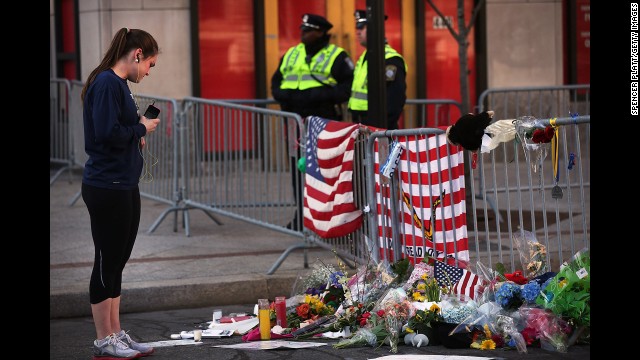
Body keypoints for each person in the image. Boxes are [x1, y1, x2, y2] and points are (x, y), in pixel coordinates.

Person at [80, 27, 160, 359]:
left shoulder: (119, 84)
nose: (149, 71)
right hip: (106, 185)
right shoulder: (106, 83)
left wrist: (136, 128)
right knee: (106, 261)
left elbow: (117, 129)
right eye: (150, 64)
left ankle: (116, 333)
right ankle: (103, 339)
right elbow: (104, 133)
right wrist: (140, 128)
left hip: (123, 183)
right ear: (137, 54)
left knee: (118, 261)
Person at [271, 13, 355, 230]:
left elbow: (347, 87)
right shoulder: (292, 53)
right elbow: (276, 82)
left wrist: (317, 96)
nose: (303, 34)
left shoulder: (336, 55)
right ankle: (301, 217)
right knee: (297, 169)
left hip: (323, 123)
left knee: (323, 172)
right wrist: (286, 97)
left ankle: (322, 218)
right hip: (294, 124)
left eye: (308, 31)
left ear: (320, 33)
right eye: (302, 29)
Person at [348, 9, 407, 130]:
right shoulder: (365, 56)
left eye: (362, 27)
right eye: (357, 28)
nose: (357, 32)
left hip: (378, 129)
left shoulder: (391, 59)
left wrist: (380, 129)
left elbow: (394, 100)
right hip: (360, 125)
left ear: (376, 29)